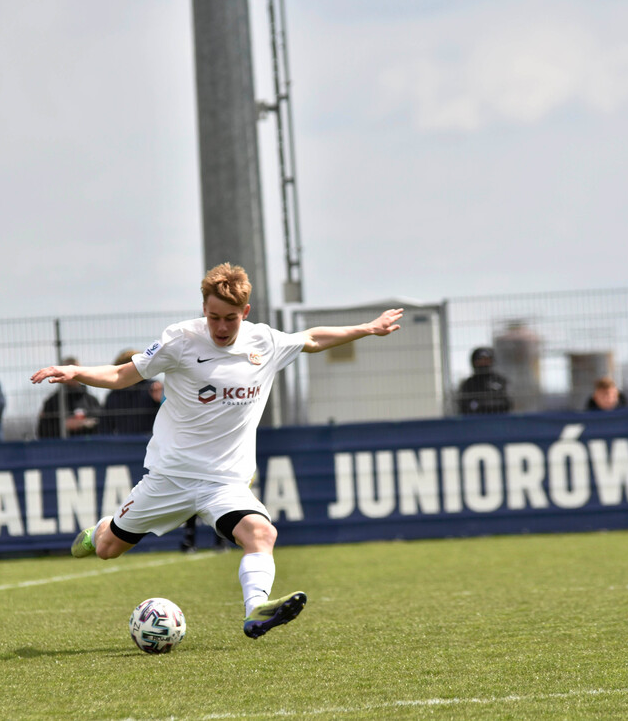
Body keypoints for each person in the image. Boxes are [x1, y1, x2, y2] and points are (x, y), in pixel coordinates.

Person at [31, 263, 404, 639]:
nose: (221, 328)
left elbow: (311, 339)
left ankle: (255, 610)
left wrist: (367, 329)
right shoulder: (180, 341)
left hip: (224, 483)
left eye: (230, 318)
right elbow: (124, 374)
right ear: (203, 310)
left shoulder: (264, 342)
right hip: (171, 477)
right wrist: (76, 373)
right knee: (110, 548)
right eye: (213, 318)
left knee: (261, 533)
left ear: (245, 312)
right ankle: (97, 533)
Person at [36, 356, 102, 439]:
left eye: (76, 371)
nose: (73, 375)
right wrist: (64, 426)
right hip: (62, 448)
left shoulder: (91, 400)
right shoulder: (52, 402)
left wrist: (87, 423)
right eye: (69, 372)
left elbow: (104, 425)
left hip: (90, 448)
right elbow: (42, 432)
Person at [101, 350, 162, 435]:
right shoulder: (114, 395)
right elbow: (105, 426)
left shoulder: (153, 388)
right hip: (125, 443)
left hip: (150, 441)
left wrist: (161, 400)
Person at [457, 346, 512, 415]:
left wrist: (484, 405)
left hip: (499, 420)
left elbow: (506, 403)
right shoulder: (468, 384)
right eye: (480, 360)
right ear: (474, 362)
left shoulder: (500, 381)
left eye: (486, 360)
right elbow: (465, 406)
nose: (483, 363)